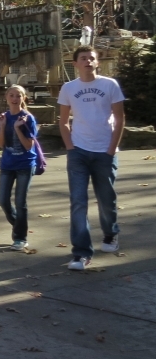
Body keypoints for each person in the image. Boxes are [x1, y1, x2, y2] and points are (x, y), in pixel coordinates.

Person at [58, 45, 126, 270]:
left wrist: (111, 149)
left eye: (91, 58)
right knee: (78, 201)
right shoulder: (68, 88)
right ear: (75, 64)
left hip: (104, 151)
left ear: (98, 62)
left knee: (106, 198)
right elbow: (63, 121)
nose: (88, 61)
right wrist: (70, 147)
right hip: (78, 152)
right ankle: (81, 253)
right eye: (83, 58)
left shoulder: (109, 85)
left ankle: (110, 234)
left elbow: (119, 118)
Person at [0, 85, 37, 251]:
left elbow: (28, 146)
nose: (14, 99)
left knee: (20, 202)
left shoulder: (28, 118)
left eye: (18, 96)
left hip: (25, 165)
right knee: (3, 200)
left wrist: (18, 128)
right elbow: (0, 144)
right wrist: (3, 126)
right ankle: (19, 225)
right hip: (7, 165)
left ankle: (20, 237)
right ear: (6, 97)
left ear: (23, 98)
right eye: (11, 95)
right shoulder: (3, 117)